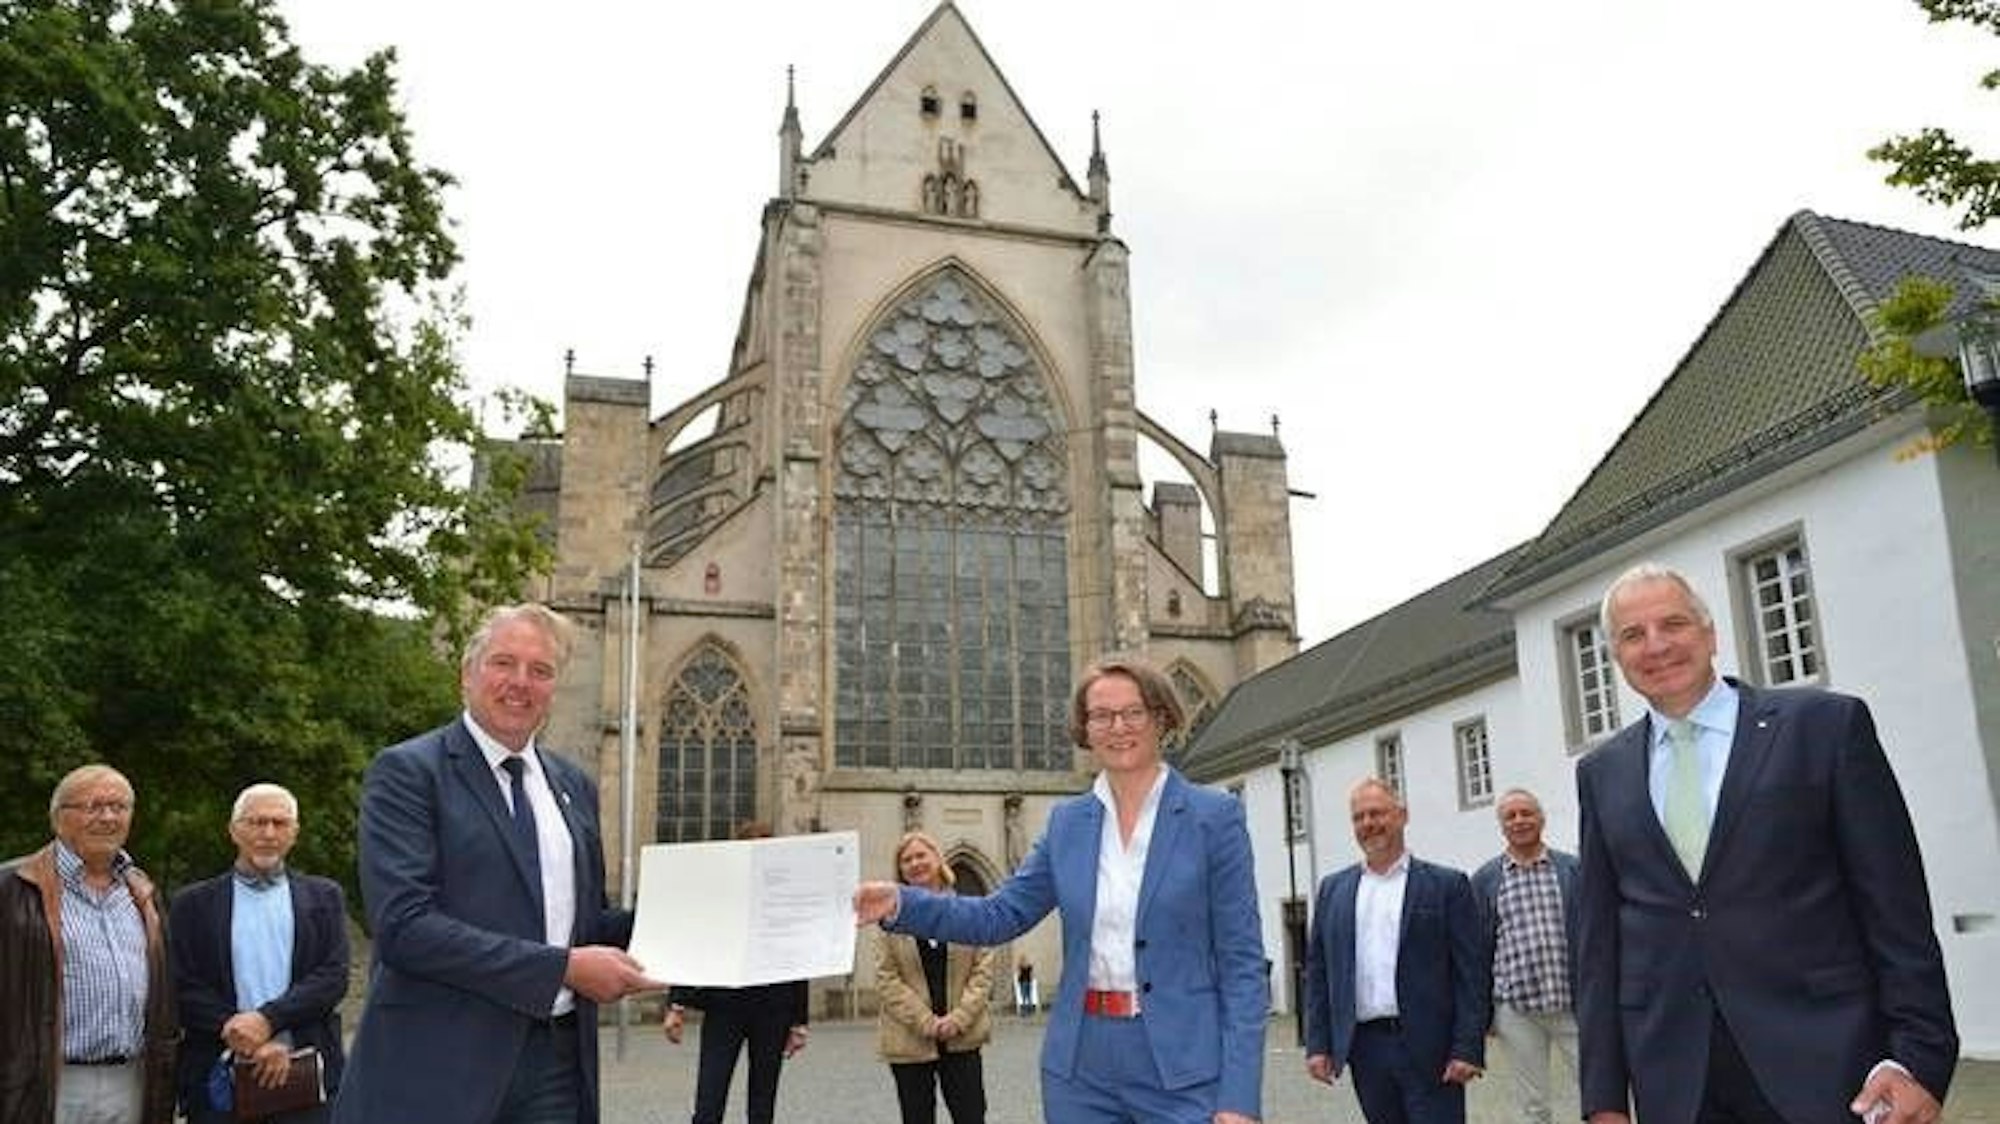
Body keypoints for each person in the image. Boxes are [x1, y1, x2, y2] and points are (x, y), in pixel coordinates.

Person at [1576, 563, 1957, 1124]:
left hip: (1828, 1064)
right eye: (1633, 635)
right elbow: (1599, 940)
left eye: (1673, 624)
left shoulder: (1824, 727)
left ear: (1709, 635)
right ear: (1616, 656)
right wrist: (1604, 1097)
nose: (1655, 645)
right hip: (1676, 1080)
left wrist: (1918, 1060)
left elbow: (1894, 906)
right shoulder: (1601, 772)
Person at [855, 655, 1268, 1124]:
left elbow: (1243, 966)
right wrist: (901, 902)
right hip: (1082, 1068)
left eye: (1133, 712)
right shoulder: (1068, 823)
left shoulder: (1213, 817)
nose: (1118, 727)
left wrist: (1239, 1097)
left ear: (1162, 718)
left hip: (1182, 1065)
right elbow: (998, 916)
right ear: (1084, 730)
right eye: (1101, 716)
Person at [332, 603, 660, 1124]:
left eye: (541, 670)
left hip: (556, 1065)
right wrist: (565, 968)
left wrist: (695, 919)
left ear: (554, 688)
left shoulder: (574, 787)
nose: (520, 682)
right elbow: (404, 926)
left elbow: (589, 924)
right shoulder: (409, 773)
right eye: (504, 663)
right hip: (439, 1067)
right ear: (468, 674)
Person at [1302, 777, 1486, 1124]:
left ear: (1402, 815)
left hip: (1432, 1046)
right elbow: (1320, 972)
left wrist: (1468, 1046)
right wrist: (1318, 1043)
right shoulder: (1333, 891)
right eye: (1359, 817)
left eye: (1377, 813)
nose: (1368, 824)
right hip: (1366, 1048)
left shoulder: (1446, 885)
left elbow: (1471, 974)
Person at [1, 764, 178, 1124]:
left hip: (131, 1079)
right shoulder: (13, 888)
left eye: (119, 807)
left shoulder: (142, 892)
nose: (108, 817)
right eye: (93, 806)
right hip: (45, 1081)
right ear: (58, 818)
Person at [170, 783, 349, 1124]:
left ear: (294, 833)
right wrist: (243, 1037)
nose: (268, 833)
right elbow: (182, 984)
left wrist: (268, 1020)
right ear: (234, 830)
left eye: (279, 824)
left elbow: (332, 977)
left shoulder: (325, 897)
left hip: (304, 1075)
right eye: (256, 822)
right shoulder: (192, 903)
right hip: (219, 1079)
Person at [662, 822, 809, 1124]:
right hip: (724, 1007)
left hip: (773, 1009)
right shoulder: (721, 896)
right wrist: (676, 1005)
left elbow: (800, 958)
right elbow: (696, 944)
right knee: (708, 1102)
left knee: (762, 1104)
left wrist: (799, 1021)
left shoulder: (785, 897)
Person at [1469, 788, 1579, 1124]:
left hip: (1573, 1002)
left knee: (1599, 1091)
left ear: (1541, 819)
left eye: (1526, 813)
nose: (1520, 821)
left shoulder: (1572, 869)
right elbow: (1478, 950)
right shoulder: (1486, 879)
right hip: (1516, 1010)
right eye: (1511, 816)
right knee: (1532, 1106)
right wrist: (1483, 1014)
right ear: (1502, 826)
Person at [874, 830, 995, 1124]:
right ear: (900, 870)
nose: (914, 863)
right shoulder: (890, 919)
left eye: (920, 855)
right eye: (906, 860)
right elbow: (886, 977)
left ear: (938, 860)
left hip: (962, 1035)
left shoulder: (967, 910)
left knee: (971, 1116)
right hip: (910, 1037)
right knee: (916, 1118)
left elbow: (983, 970)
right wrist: (926, 1022)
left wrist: (959, 1018)